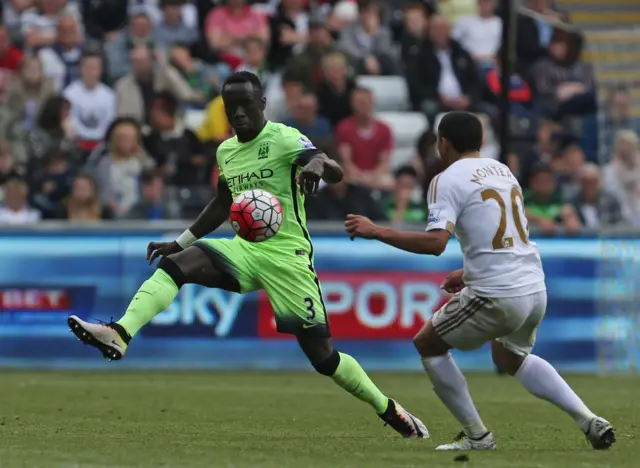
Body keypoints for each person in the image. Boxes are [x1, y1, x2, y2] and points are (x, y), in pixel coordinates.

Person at [68, 71, 428, 439]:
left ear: (262, 104)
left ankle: (388, 409)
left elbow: (331, 167)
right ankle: (121, 332)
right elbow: (222, 204)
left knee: (325, 360)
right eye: (230, 107)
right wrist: (180, 241)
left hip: (288, 257)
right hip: (244, 248)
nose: (238, 113)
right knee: (176, 265)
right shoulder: (226, 151)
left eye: (245, 105)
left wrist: (315, 166)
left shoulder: (285, 137)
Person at [345, 111, 615, 451]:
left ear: (443, 143)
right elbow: (503, 237)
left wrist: (376, 231)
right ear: (481, 141)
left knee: (428, 344)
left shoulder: (446, 179)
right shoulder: (503, 171)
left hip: (498, 293)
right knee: (508, 357)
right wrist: (468, 272)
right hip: (533, 286)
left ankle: (478, 436)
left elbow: (435, 243)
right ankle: (587, 418)